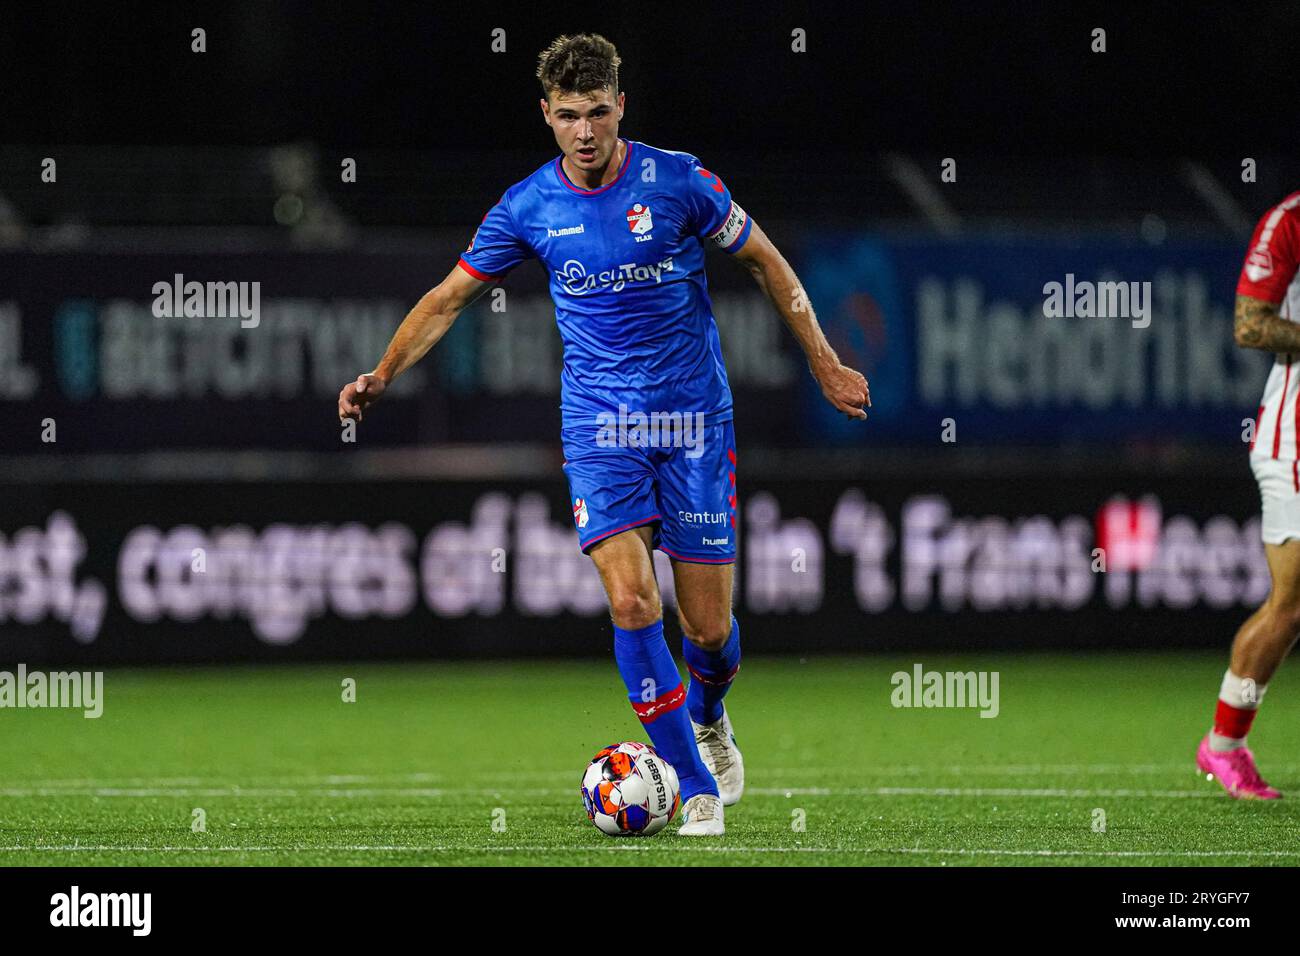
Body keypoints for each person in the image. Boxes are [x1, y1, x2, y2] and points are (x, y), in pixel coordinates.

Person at [339, 33, 870, 833]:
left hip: (693, 423)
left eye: (596, 113)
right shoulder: (527, 207)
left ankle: (710, 717)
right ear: (545, 116)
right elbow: (449, 298)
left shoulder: (681, 181)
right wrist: (382, 372)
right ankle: (693, 786)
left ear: (620, 107)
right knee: (630, 602)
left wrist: (825, 363)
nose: (584, 132)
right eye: (566, 116)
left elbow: (767, 263)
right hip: (600, 427)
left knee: (710, 633)